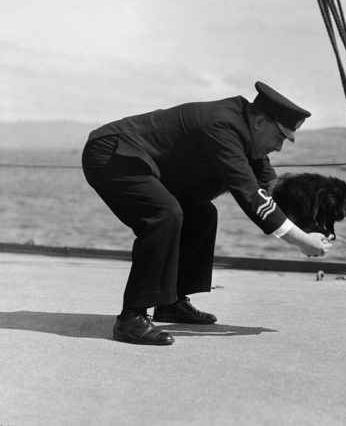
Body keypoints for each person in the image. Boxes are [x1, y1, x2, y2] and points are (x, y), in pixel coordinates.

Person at [82, 81, 332, 345]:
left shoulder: (247, 136)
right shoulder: (223, 127)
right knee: (164, 214)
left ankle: (170, 302)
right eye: (280, 137)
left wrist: (310, 228)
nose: (280, 147)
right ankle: (130, 319)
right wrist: (301, 241)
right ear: (259, 122)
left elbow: (273, 190)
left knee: (201, 215)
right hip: (112, 154)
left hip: (139, 161)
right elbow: (250, 194)